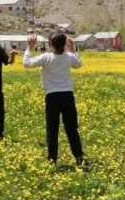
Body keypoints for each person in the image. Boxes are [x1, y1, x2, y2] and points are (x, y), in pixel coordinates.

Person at [23, 33, 87, 170]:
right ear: (64, 44)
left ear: (51, 45)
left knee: (52, 129)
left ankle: (53, 159)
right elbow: (79, 64)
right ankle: (79, 158)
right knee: (71, 129)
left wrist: (30, 48)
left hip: (52, 96)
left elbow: (27, 63)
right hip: (67, 95)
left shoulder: (46, 57)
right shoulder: (69, 57)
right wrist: (73, 49)